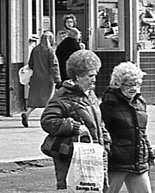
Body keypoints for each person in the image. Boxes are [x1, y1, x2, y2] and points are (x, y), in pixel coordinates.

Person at [40, 49, 109, 191]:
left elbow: (98, 121)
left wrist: (106, 142)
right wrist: (75, 127)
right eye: (90, 76)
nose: (94, 79)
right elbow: (47, 121)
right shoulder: (63, 96)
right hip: (72, 158)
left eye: (95, 75)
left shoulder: (90, 95)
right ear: (77, 76)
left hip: (94, 157)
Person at [101, 62, 154, 193]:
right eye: (129, 84)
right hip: (117, 161)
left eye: (137, 84)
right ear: (118, 84)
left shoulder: (140, 102)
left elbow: (141, 132)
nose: (134, 88)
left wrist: (149, 153)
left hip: (137, 160)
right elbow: (101, 131)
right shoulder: (109, 104)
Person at [21, 31, 62, 128]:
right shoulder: (50, 51)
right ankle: (46, 119)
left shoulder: (35, 50)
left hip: (36, 77)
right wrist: (58, 80)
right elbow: (54, 66)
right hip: (47, 79)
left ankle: (27, 113)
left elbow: (31, 64)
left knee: (36, 99)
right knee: (48, 100)